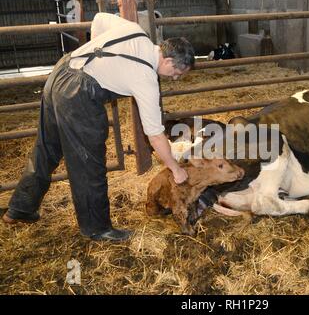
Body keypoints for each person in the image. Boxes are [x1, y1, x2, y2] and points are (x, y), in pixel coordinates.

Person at [1, 13, 195, 242]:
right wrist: (176, 168)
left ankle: (21, 208)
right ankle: (97, 228)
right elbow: (154, 135)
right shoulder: (146, 77)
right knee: (88, 162)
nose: (174, 79)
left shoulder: (135, 31)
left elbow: (100, 19)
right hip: (79, 94)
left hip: (62, 71)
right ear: (169, 61)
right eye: (176, 74)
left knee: (47, 148)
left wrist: (96, 61)